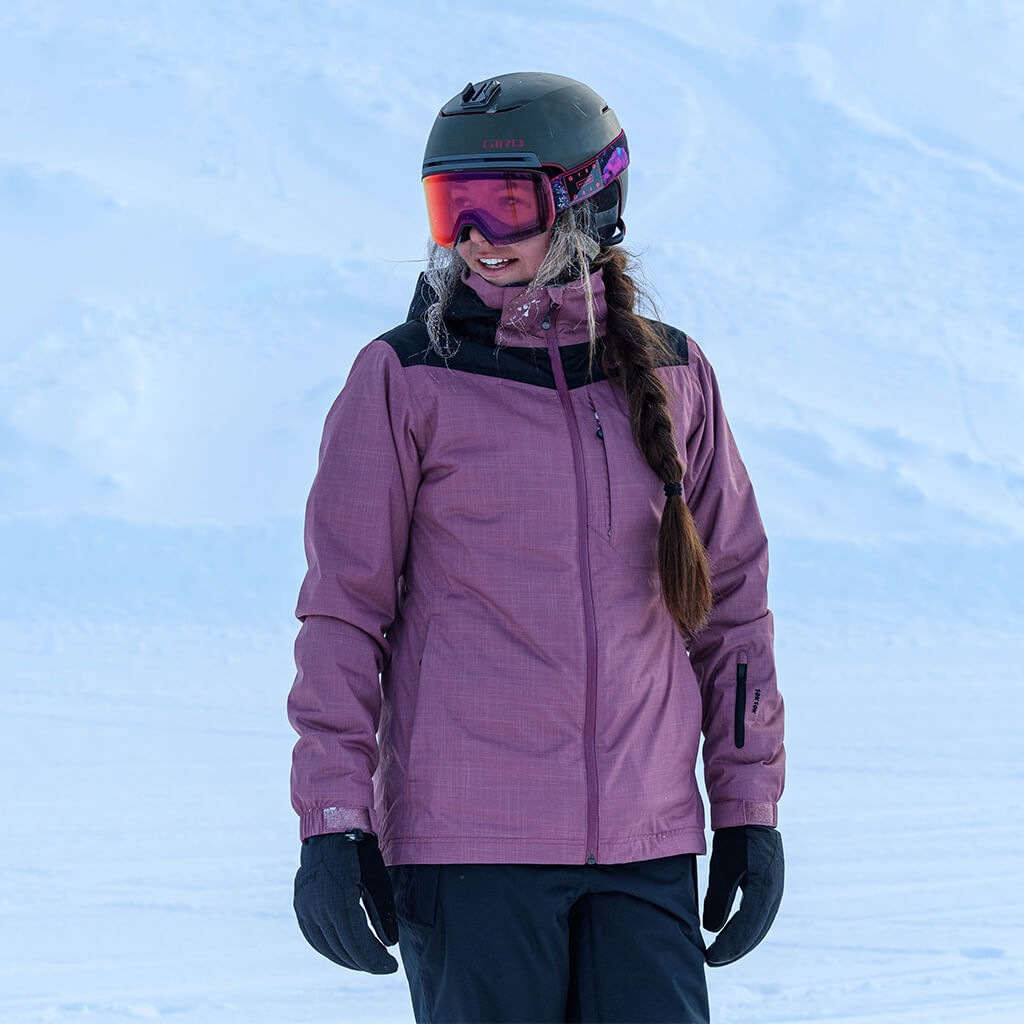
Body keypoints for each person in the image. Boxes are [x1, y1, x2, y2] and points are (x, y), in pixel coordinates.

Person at [288, 71, 785, 1024]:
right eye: (451, 206)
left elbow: (732, 613)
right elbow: (343, 617)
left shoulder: (675, 375)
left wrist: (749, 810)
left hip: (647, 849)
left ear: (588, 202)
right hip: (470, 851)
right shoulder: (408, 378)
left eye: (504, 203)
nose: (474, 236)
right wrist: (333, 820)